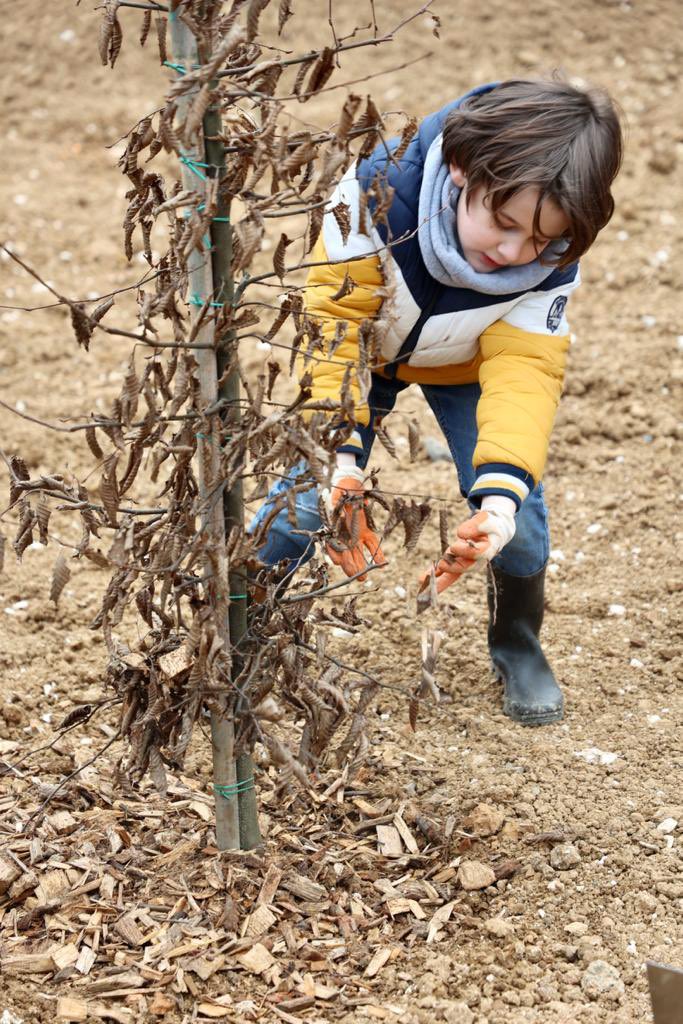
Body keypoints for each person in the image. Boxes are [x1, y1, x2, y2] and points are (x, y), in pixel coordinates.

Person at [249, 77, 623, 726]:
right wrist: (338, 456)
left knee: (522, 526)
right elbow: (333, 324)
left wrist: (499, 496)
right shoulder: (376, 195)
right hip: (366, 347)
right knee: (303, 499)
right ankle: (239, 624)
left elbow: (524, 375)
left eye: (538, 240)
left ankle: (517, 643)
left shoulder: (553, 260)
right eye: (503, 224)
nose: (513, 253)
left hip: (465, 361)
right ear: (458, 170)